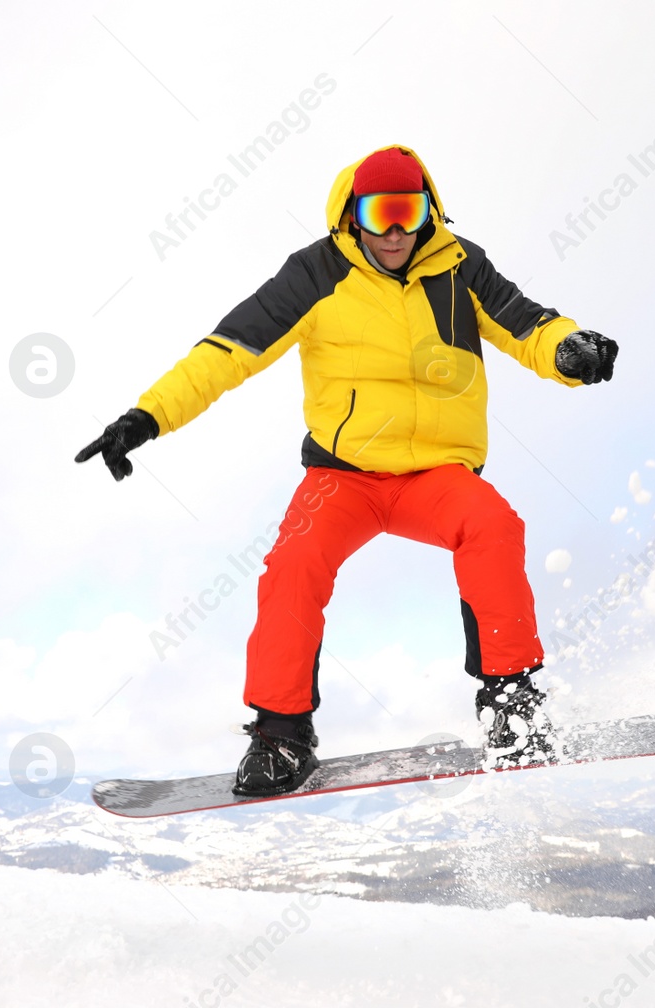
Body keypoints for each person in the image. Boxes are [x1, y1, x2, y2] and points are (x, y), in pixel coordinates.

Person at [77, 145, 618, 797]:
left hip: (435, 474)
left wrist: (569, 350)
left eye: (408, 212)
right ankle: (281, 737)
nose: (394, 230)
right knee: (293, 563)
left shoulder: (460, 266)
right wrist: (147, 417)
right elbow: (225, 355)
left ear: (429, 212)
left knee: (494, 525)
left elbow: (528, 326)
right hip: (344, 476)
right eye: (380, 213)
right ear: (351, 215)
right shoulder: (314, 274)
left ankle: (510, 706)